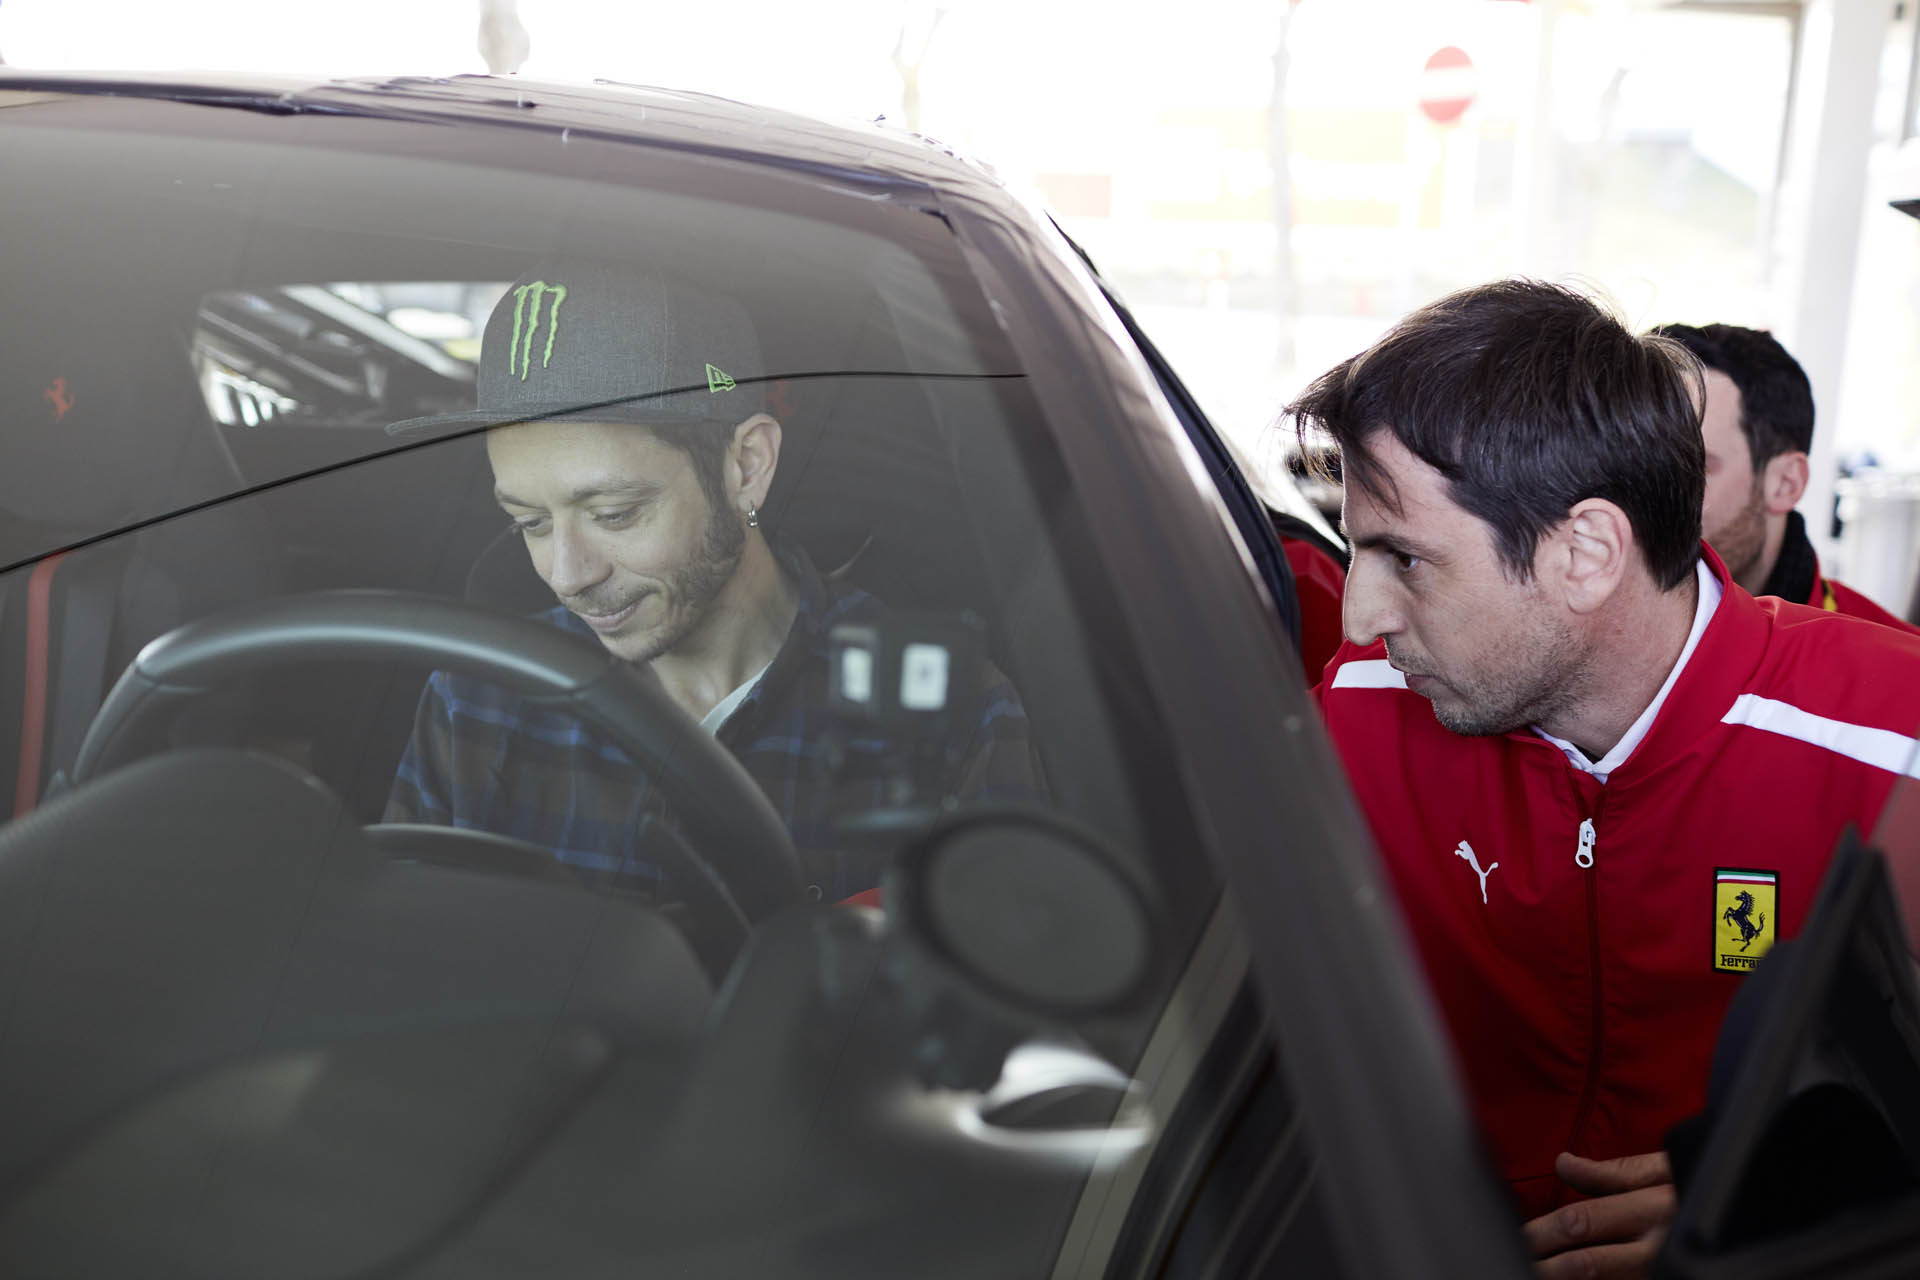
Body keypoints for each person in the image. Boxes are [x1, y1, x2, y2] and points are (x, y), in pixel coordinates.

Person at [1292, 280, 1920, 1278]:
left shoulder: (1892, 741)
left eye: (1403, 558)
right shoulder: (1361, 708)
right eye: (1354, 545)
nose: (1360, 616)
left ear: (1584, 550)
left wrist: (1802, 1192)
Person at [384, 260, 1045, 904]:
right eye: (528, 523)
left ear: (747, 466)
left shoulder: (945, 715)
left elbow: (998, 988)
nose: (568, 574)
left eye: (615, 514)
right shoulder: (477, 701)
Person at [1651, 322, 1916, 633]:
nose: (1645, 499)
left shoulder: (1892, 667)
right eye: (1639, 463)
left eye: (1692, 467)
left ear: (1785, 483)